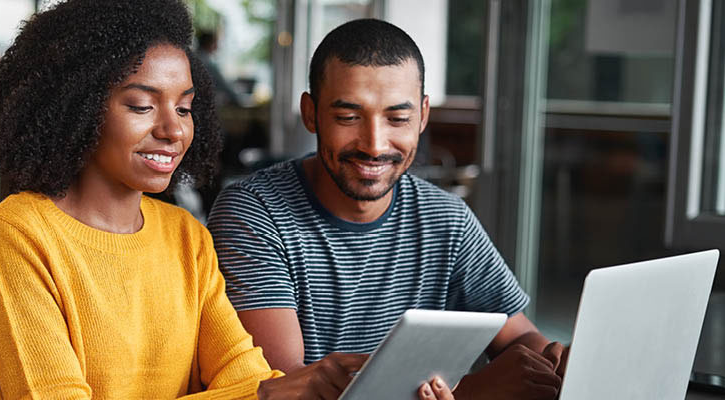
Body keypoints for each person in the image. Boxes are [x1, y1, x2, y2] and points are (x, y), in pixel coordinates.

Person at [0, 1, 452, 399]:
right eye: (143, 105)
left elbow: (242, 372)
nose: (173, 129)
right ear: (78, 107)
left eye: (186, 107)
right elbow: (253, 393)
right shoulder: (20, 233)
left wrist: (297, 386)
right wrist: (265, 395)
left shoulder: (184, 236)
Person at [207, 18, 568, 400]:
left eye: (398, 118)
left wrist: (553, 360)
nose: (375, 144)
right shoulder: (253, 214)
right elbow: (288, 387)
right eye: (348, 117)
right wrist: (472, 393)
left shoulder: (446, 218)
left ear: (423, 116)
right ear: (311, 113)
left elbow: (519, 336)